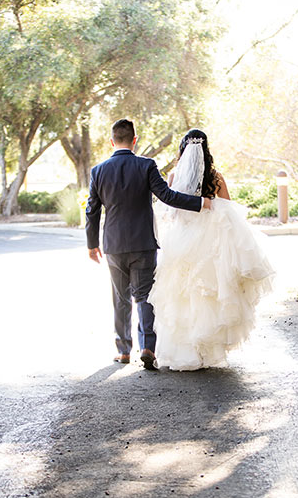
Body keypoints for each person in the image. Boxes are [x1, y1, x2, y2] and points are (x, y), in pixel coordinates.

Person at [86, 118, 212, 369]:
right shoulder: (146, 165)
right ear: (134, 140)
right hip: (143, 242)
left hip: (113, 245)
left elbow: (92, 210)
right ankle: (148, 348)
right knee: (144, 296)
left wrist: (92, 244)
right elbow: (167, 195)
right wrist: (199, 203)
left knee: (120, 298)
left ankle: (123, 351)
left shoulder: (98, 171)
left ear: (112, 141)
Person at [148, 129, 275, 370]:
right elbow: (227, 209)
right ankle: (206, 352)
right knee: (208, 295)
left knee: (182, 295)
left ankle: (186, 352)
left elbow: (172, 211)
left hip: (182, 241)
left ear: (183, 150)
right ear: (206, 149)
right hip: (210, 242)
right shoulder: (216, 177)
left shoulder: (175, 175)